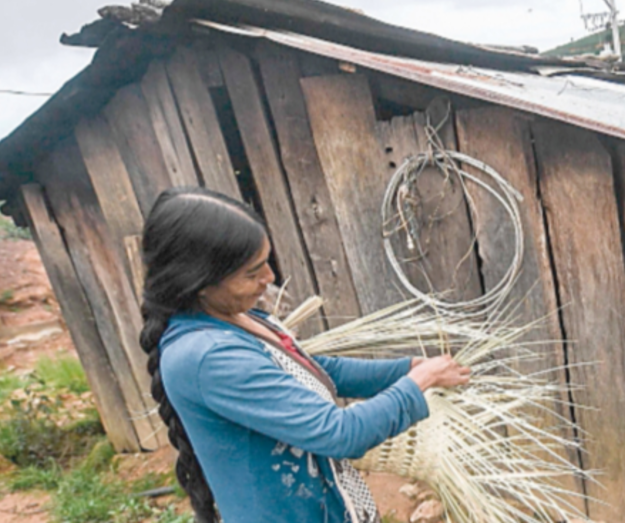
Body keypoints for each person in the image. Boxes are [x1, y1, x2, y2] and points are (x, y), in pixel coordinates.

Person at [139, 188, 471, 523]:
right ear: (199, 282)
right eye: (252, 273)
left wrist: (405, 368)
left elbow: (312, 368)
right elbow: (341, 434)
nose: (269, 279)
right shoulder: (208, 357)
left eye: (266, 262)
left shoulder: (235, 317)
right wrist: (421, 381)